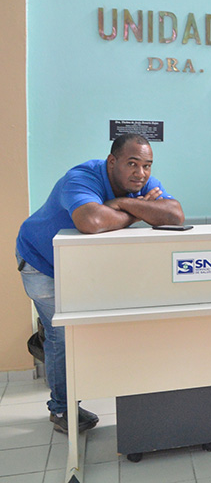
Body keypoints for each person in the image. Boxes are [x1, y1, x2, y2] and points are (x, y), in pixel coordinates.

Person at [15, 134, 184, 433]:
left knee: (97, 331)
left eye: (146, 166)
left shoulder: (140, 184)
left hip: (83, 268)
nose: (141, 173)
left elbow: (174, 215)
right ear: (112, 162)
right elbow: (91, 221)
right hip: (43, 264)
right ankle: (62, 410)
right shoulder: (80, 177)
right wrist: (138, 211)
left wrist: (119, 204)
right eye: (133, 164)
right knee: (62, 336)